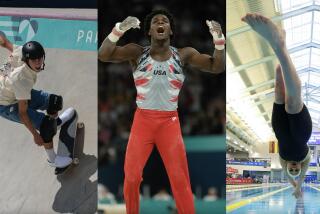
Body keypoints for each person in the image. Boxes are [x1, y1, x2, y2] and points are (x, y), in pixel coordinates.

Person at [99, 9, 225, 214]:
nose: (160, 22)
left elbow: (217, 67)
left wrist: (219, 40)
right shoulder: (136, 52)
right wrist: (119, 30)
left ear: (170, 31)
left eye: (164, 21)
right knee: (131, 177)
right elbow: (103, 55)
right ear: (149, 30)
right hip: (143, 122)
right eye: (155, 21)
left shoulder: (183, 54)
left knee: (179, 178)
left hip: (169, 123)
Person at [242, 13, 312, 199]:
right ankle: (279, 44)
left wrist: (293, 185)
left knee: (279, 91)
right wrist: (298, 186)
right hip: (301, 133)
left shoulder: (282, 162)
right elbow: (301, 176)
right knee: (292, 104)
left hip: (280, 130)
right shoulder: (304, 162)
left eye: (293, 170)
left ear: (288, 169)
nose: (295, 167)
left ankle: (281, 42)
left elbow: (292, 177)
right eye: (297, 169)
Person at [0, 34, 75, 168]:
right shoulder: (21, 78)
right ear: (27, 60)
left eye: (40, 58)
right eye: (34, 60)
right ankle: (53, 160)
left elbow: (5, 42)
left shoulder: (22, 50)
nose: (38, 62)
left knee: (55, 101)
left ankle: (55, 124)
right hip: (6, 104)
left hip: (11, 88)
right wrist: (35, 135)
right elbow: (23, 113)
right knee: (45, 127)